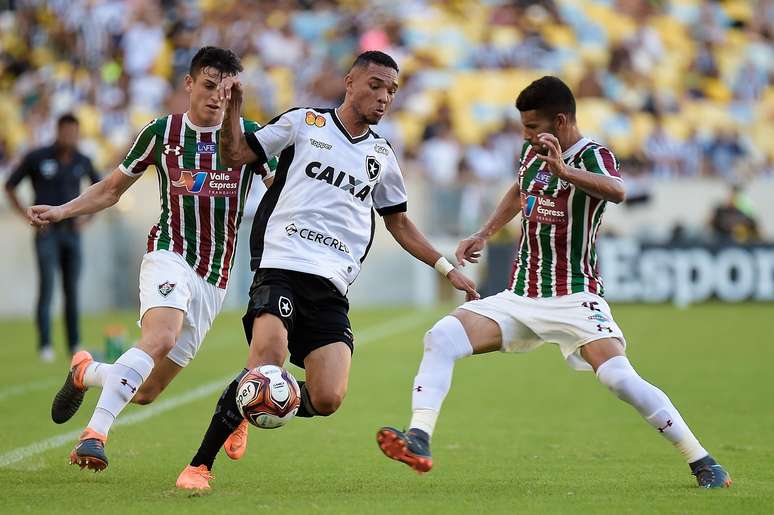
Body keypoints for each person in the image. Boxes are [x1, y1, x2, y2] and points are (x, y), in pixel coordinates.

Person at [376, 76, 732, 489]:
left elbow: (617, 191)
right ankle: (419, 437)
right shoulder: (533, 153)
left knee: (618, 377)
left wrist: (565, 170)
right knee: (441, 337)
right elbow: (519, 189)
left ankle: (702, 461)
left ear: (560, 121)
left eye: (532, 127)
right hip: (521, 295)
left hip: (574, 296)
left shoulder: (594, 155)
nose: (525, 135)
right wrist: (484, 233)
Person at [175, 50, 479, 491]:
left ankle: (250, 399)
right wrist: (237, 106)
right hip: (283, 263)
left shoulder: (382, 155)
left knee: (328, 397)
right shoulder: (304, 124)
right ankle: (200, 465)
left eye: (391, 90)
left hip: (332, 286)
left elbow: (398, 220)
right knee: (268, 359)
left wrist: (445, 266)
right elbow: (237, 152)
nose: (383, 97)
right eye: (375, 85)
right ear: (349, 81)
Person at [27, 47, 276, 472]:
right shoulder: (162, 133)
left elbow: (283, 196)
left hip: (214, 279)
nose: (217, 97)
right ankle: (94, 435)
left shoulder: (250, 138)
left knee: (145, 392)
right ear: (189, 84)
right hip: (170, 254)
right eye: (210, 86)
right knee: (159, 337)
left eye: (228, 90)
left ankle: (86, 372)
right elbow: (110, 189)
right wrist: (63, 210)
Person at [5, 114, 101, 362]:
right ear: (58, 131)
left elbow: (101, 190)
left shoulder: (83, 160)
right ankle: (45, 344)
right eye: (66, 132)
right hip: (46, 232)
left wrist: (87, 219)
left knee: (72, 290)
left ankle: (73, 343)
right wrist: (23, 214)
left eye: (74, 132)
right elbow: (10, 185)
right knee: (47, 287)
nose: (70, 137)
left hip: (72, 233)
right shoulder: (38, 157)